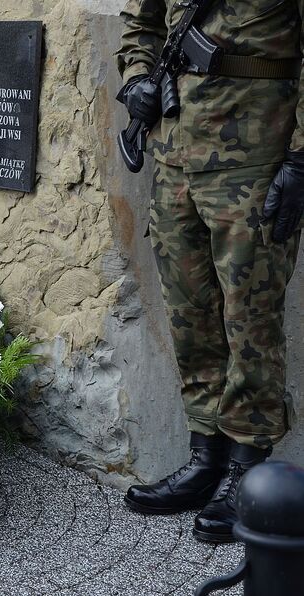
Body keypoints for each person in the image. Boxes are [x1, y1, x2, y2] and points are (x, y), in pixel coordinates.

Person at [117, 0, 303, 543]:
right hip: (175, 156)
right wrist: (138, 80)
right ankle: (206, 458)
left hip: (254, 156)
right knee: (189, 314)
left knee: (251, 320)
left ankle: (249, 469)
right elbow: (141, 21)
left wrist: (301, 158)